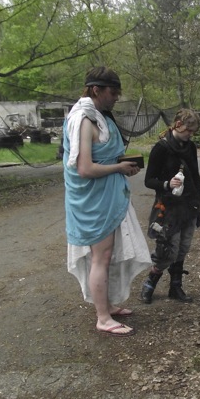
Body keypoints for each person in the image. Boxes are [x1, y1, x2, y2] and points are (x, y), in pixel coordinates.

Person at [63, 66, 151, 337]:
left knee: (107, 255)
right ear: (96, 89)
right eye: (113, 92)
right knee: (100, 257)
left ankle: (108, 305)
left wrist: (122, 165)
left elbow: (103, 156)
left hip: (105, 197)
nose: (116, 97)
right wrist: (119, 168)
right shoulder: (84, 120)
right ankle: (103, 317)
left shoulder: (99, 116)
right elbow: (85, 169)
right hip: (92, 202)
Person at [140, 109, 200, 305]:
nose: (190, 135)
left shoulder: (190, 147)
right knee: (168, 249)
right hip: (168, 207)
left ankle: (175, 287)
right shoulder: (161, 148)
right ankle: (151, 281)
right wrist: (167, 184)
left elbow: (195, 174)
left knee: (183, 247)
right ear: (178, 125)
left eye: (193, 132)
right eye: (188, 131)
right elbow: (149, 180)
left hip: (189, 205)